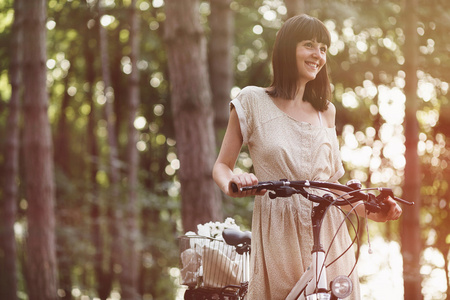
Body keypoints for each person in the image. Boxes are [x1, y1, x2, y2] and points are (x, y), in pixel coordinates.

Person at [212, 14, 403, 299]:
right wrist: (234, 182)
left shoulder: (325, 111)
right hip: (279, 234)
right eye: (309, 45)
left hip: (330, 238)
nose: (318, 55)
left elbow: (333, 191)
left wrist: (375, 209)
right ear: (288, 49)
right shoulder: (252, 101)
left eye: (323, 48)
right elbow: (221, 166)